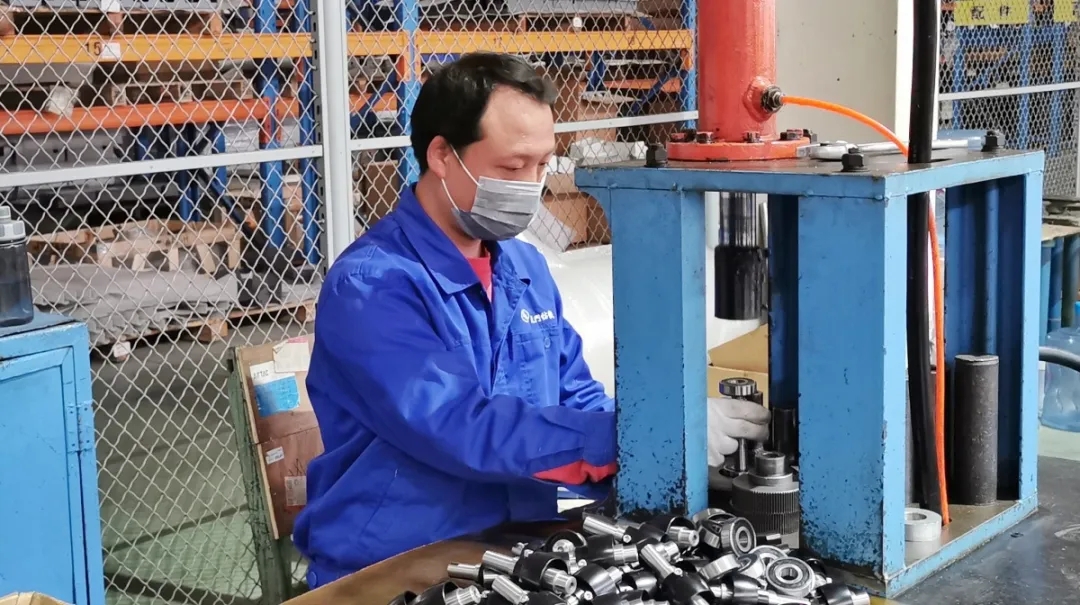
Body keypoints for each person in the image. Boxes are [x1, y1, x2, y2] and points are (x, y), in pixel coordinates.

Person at [292, 52, 771, 588]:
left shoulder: (524, 267)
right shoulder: (372, 287)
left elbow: (576, 396)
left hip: (516, 546)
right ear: (442, 155)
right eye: (512, 167)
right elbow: (459, 425)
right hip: (395, 559)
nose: (531, 185)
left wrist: (659, 431)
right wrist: (632, 435)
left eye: (543, 165)